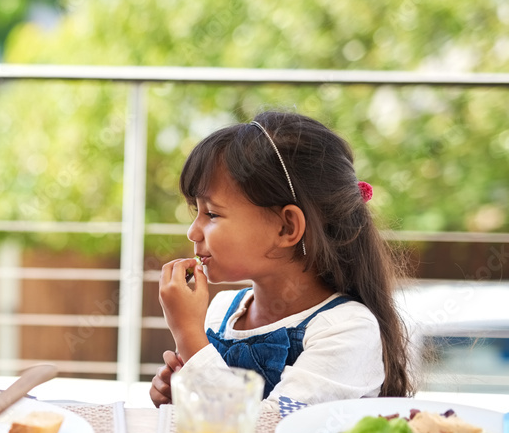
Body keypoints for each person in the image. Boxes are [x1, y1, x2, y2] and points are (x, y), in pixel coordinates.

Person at [149, 110, 412, 413]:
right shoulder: (223, 310)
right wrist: (179, 397)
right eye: (196, 211)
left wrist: (188, 336)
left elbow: (266, 432)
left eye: (212, 214)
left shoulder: (346, 330)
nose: (193, 231)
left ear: (287, 228)